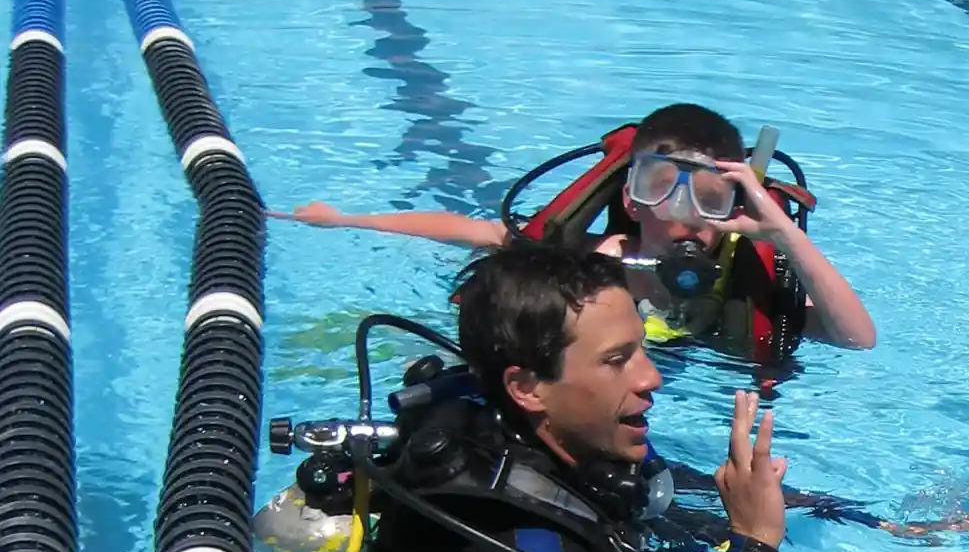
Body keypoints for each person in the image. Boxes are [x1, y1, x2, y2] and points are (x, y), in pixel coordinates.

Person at [367, 241, 790, 552]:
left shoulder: (579, 442)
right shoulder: (512, 545)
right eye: (616, 360)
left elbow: (683, 488)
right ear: (527, 388)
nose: (651, 378)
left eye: (641, 350)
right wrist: (755, 542)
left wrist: (842, 511)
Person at [274, 102, 876, 359]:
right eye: (659, 187)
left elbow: (858, 340)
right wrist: (347, 219)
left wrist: (787, 237)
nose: (686, 213)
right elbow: (472, 232)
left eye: (714, 197)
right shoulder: (592, 258)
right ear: (632, 200)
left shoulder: (750, 282)